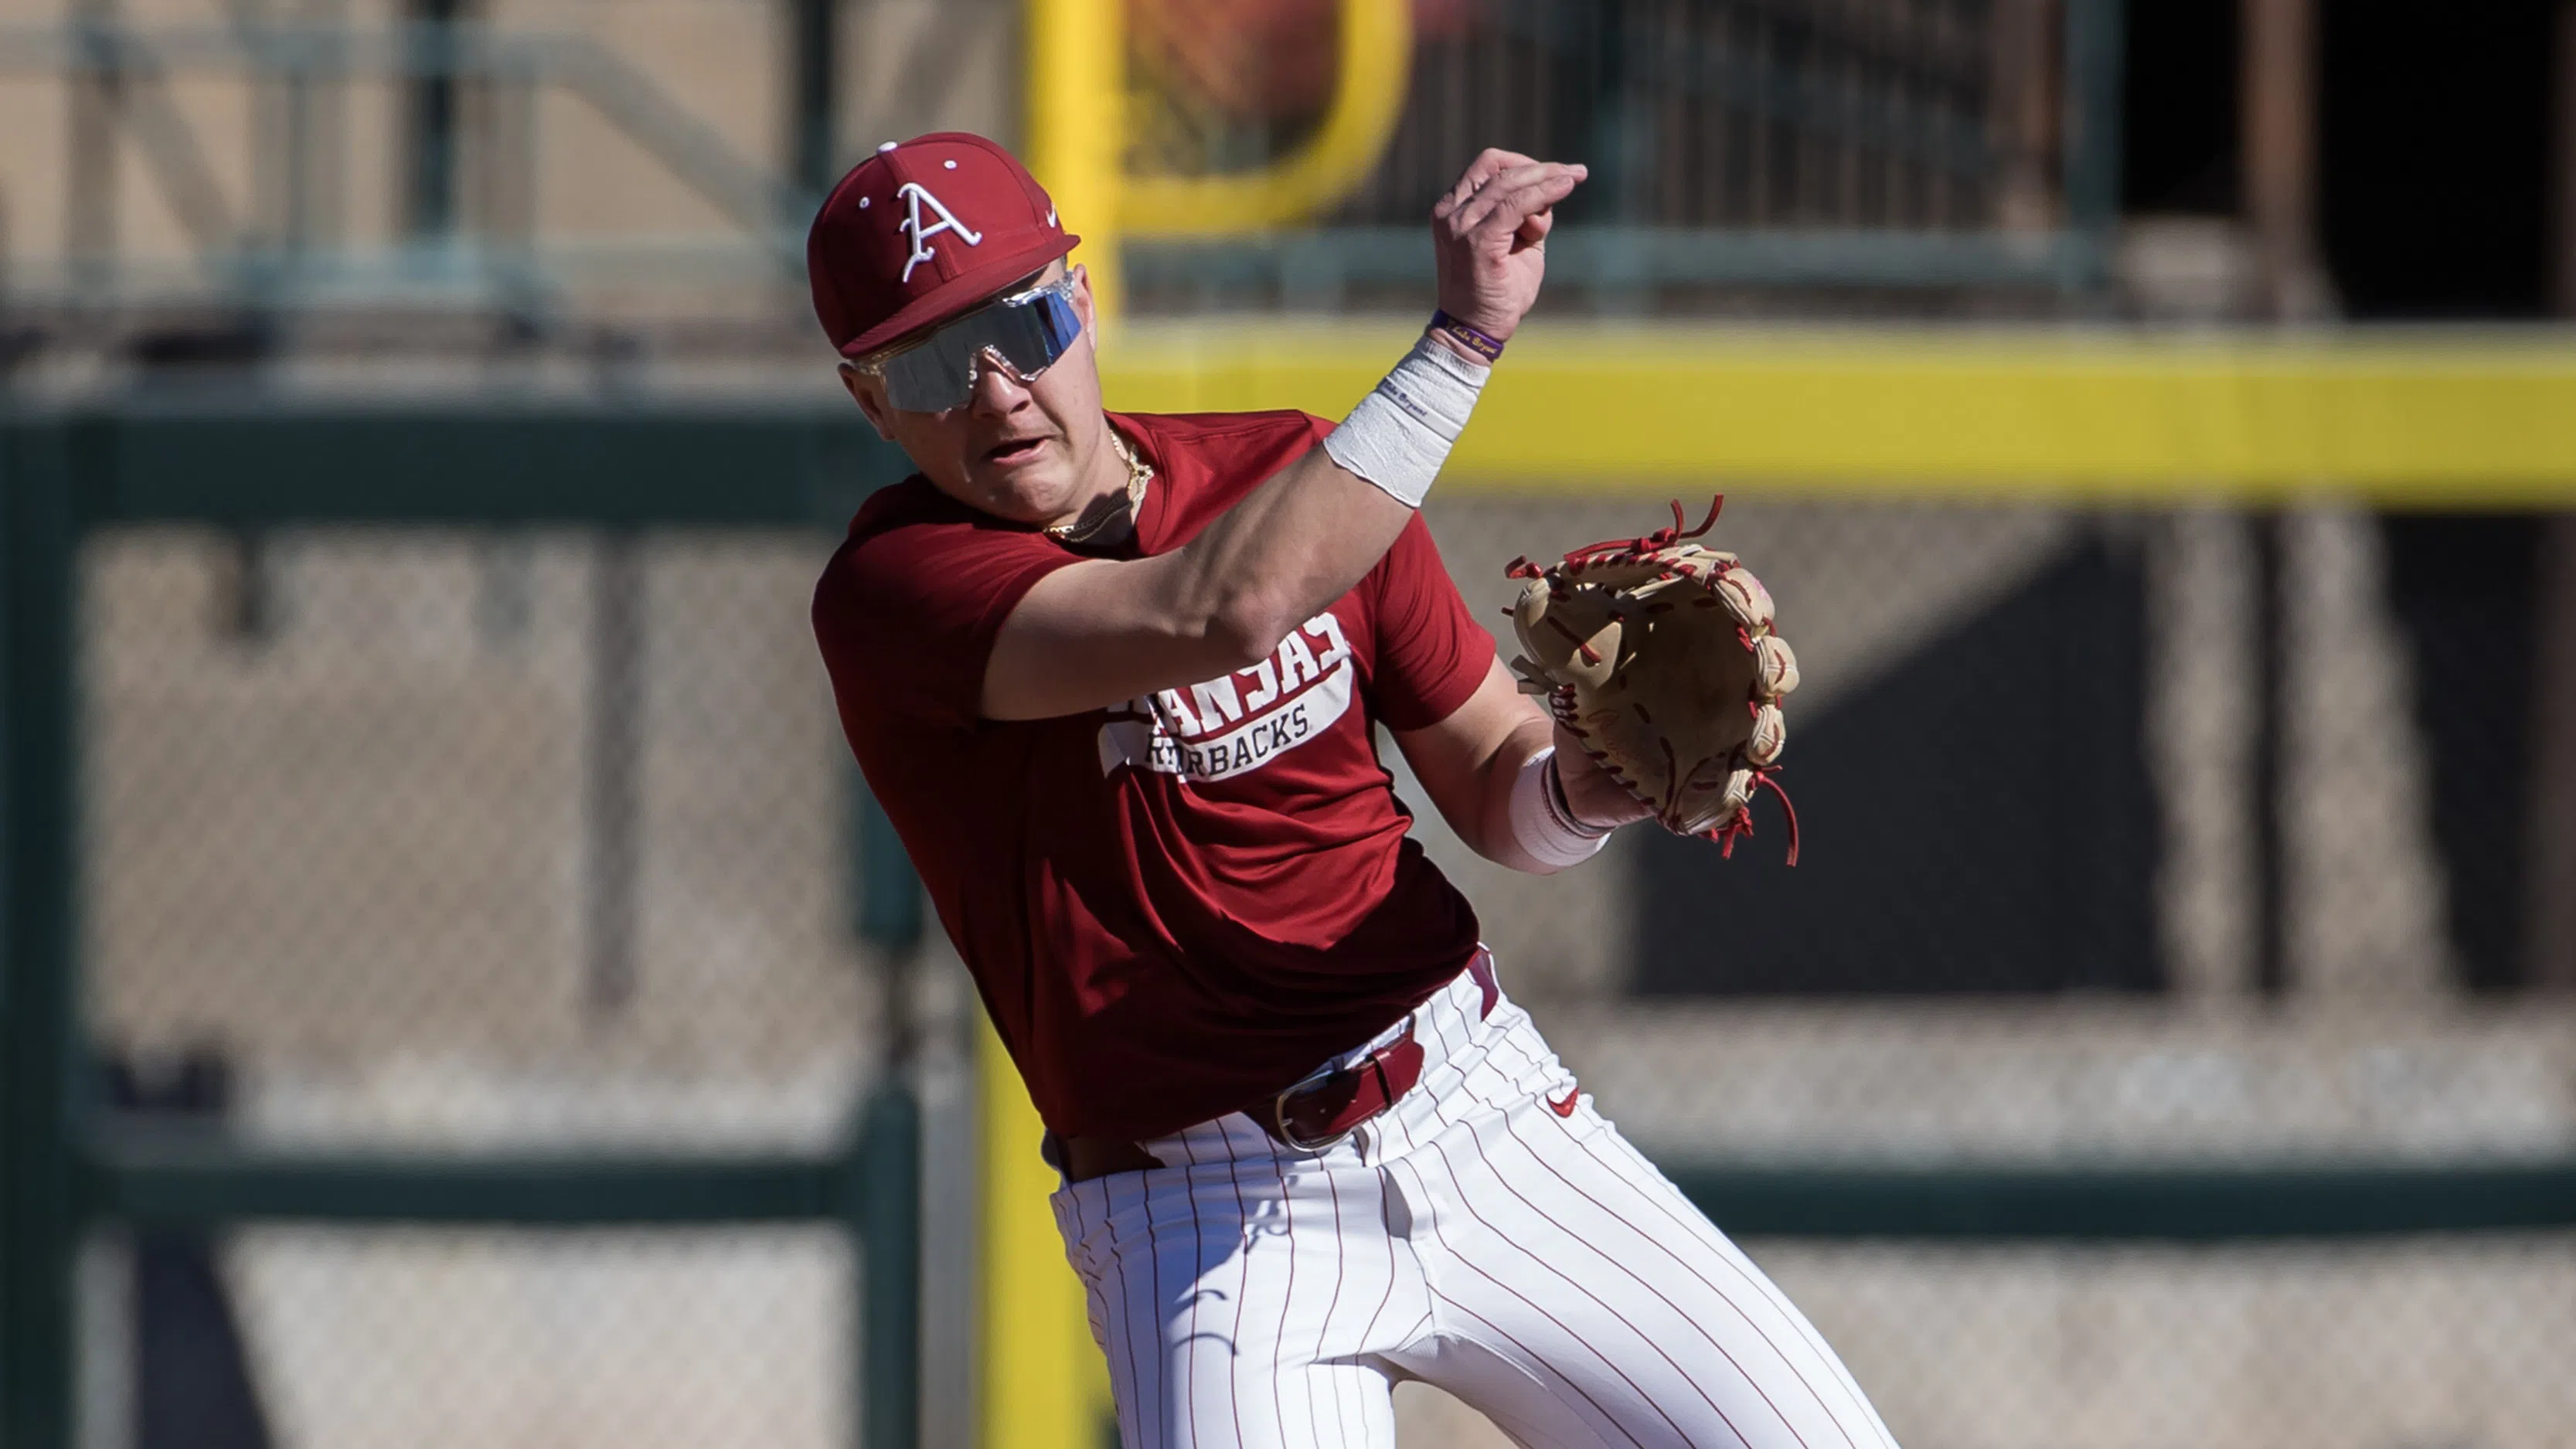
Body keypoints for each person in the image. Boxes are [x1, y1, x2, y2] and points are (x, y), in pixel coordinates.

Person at [808, 131, 1900, 1449]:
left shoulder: (1291, 474)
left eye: (1022, 322)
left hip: (1480, 1113)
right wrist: (1459, 343)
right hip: (1203, 1217)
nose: (997, 392)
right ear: (871, 402)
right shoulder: (896, 592)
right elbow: (1222, 608)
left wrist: (1595, 785)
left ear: (1081, 302)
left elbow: (1503, 789)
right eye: (931, 360)